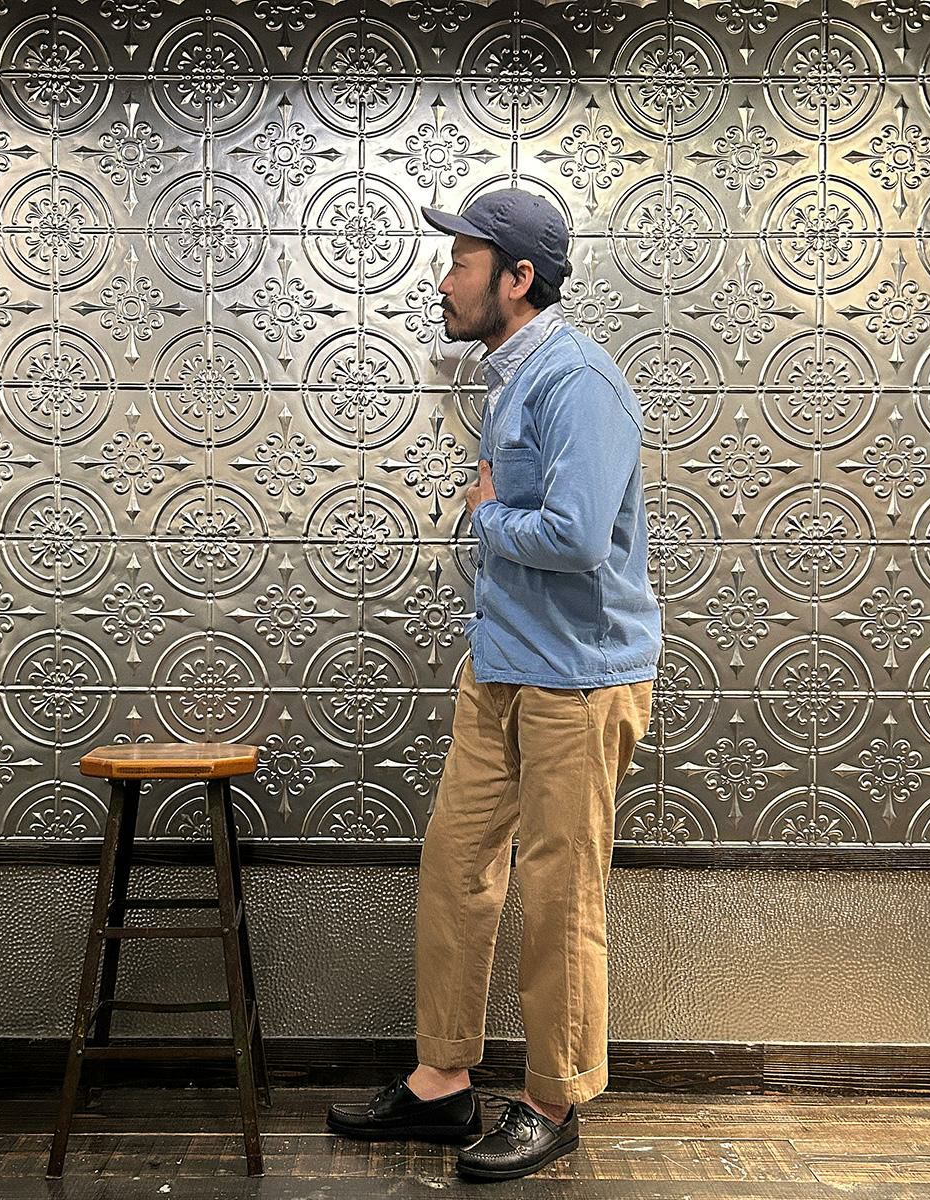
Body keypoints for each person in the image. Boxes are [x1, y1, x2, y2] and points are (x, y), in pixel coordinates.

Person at [326, 188, 662, 1182]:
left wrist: (486, 516)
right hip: (504, 670)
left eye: (461, 263)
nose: (443, 281)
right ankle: (443, 1082)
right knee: (456, 866)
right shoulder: (511, 375)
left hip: (577, 682)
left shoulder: (577, 378)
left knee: (560, 892)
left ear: (517, 279)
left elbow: (577, 536)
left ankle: (554, 1099)